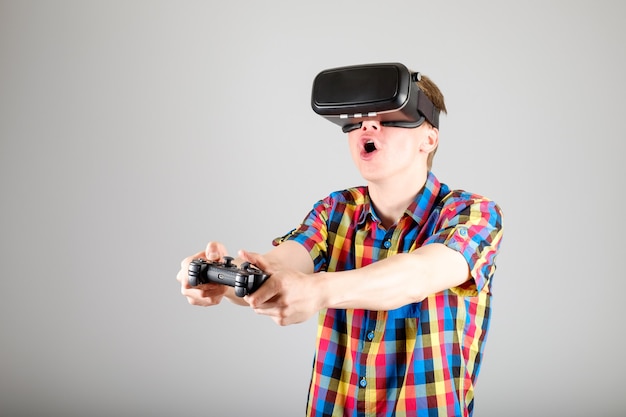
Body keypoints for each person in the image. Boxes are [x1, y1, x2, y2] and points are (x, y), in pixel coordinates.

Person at [176, 62, 504, 417]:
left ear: (428, 137)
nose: (368, 124)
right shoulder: (335, 211)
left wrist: (318, 289)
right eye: (360, 118)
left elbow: (416, 277)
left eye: (389, 115)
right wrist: (227, 279)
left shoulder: (472, 214)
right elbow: (282, 266)